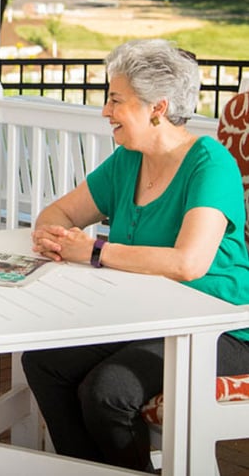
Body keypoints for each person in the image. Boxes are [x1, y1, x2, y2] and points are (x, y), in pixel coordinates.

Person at [22, 39, 249, 473]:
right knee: (44, 361)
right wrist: (52, 234)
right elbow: (60, 211)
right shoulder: (128, 160)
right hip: (143, 315)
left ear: (157, 108)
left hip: (219, 326)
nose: (106, 112)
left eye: (115, 100)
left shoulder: (209, 163)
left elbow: (188, 263)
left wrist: (95, 251)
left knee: (106, 390)